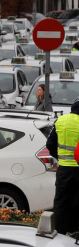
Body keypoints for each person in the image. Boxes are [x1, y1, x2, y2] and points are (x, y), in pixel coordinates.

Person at [46, 99, 79, 235]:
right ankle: (74, 231)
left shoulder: (60, 121)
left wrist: (59, 157)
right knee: (76, 203)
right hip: (78, 170)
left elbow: (50, 144)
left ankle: (60, 233)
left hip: (64, 169)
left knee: (60, 203)